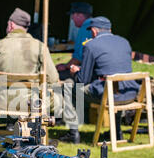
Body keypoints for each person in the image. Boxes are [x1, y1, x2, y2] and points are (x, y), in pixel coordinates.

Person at [59, 16, 139, 144]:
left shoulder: (91, 45)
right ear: (110, 29)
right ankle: (116, 131)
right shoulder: (124, 42)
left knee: (67, 89)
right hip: (130, 92)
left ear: (94, 31)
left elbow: (82, 80)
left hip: (110, 93)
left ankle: (73, 133)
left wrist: (76, 71)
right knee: (114, 86)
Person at [0, 7, 60, 129]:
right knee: (58, 96)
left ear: (11, 25)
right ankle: (35, 127)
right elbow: (53, 78)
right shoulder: (39, 47)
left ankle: (11, 125)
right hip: (30, 103)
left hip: (2, 102)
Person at [56, 2, 93, 81]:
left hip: (89, 74)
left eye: (73, 15)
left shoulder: (85, 28)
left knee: (56, 77)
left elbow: (78, 59)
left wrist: (65, 66)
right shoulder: (97, 25)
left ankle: (76, 93)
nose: (72, 18)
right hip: (102, 72)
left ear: (80, 15)